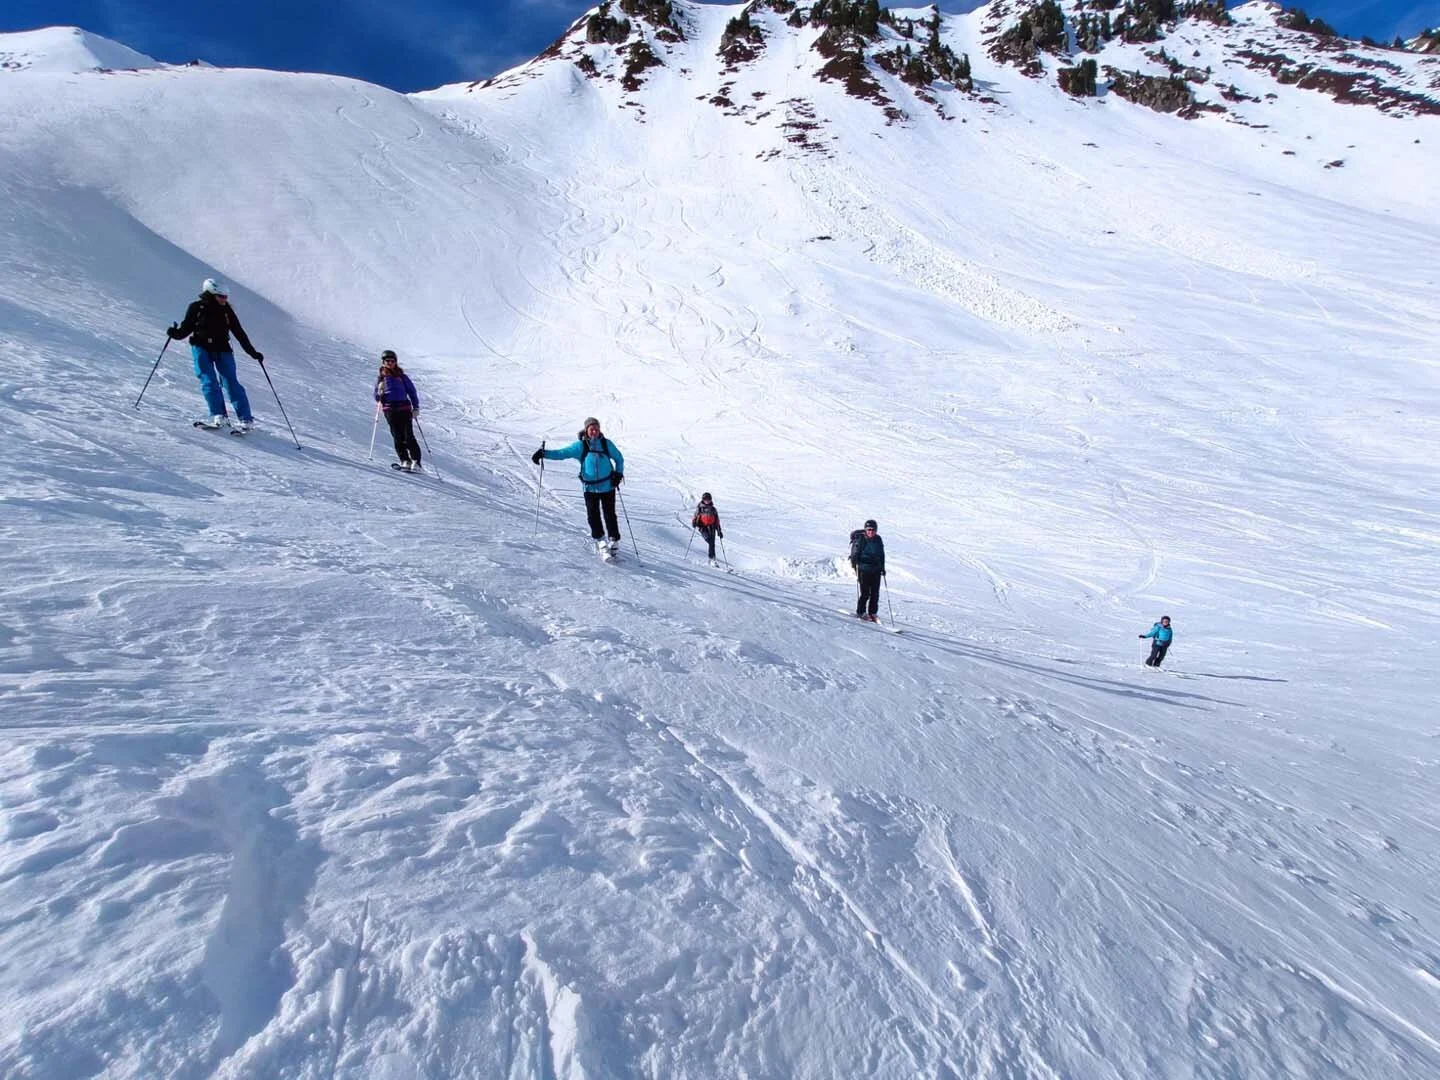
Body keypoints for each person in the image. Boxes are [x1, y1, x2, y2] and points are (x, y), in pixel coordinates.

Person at [168, 278, 264, 430]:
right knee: (208, 380)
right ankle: (219, 416)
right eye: (221, 296)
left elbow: (239, 332)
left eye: (226, 296)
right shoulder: (196, 307)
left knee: (231, 382)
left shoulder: (226, 311)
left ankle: (246, 419)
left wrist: (252, 352)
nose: (224, 299)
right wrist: (175, 333)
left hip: (223, 349)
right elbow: (186, 329)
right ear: (210, 294)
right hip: (201, 348)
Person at [533, 417, 625, 557]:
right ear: (586, 430)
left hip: (608, 486)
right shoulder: (581, 446)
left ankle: (614, 540)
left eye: (596, 428)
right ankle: (600, 540)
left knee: (610, 514)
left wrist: (618, 474)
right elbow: (562, 453)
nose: (594, 431)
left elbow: (619, 458)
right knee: (593, 515)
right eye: (591, 429)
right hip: (590, 488)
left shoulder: (606, 444)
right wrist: (544, 454)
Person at [374, 350, 422, 471]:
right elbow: (377, 397)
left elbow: (412, 391)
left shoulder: (401, 377)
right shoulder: (382, 378)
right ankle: (405, 460)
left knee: (408, 436)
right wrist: (379, 392)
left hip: (404, 408)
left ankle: (416, 462)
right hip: (390, 410)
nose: (390, 363)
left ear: (395, 362)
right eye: (387, 361)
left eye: (392, 361)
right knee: (397, 436)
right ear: (383, 362)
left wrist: (415, 407)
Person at [848, 519, 885, 621]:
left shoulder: (878, 539)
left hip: (875, 570)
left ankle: (872, 613)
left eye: (873, 530)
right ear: (865, 530)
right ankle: (861, 612)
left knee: (875, 593)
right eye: (868, 529)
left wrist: (882, 567)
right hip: (863, 569)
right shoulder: (861, 539)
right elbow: (855, 554)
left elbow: (881, 554)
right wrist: (855, 565)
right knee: (865, 593)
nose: (871, 532)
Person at [692, 493, 724, 566]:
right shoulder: (700, 508)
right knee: (710, 541)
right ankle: (711, 558)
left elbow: (717, 520)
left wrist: (719, 530)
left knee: (712, 543)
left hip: (712, 527)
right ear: (703, 500)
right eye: (706, 500)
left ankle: (712, 559)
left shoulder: (713, 509)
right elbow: (695, 516)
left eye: (709, 500)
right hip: (703, 527)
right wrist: (694, 522)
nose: (707, 501)